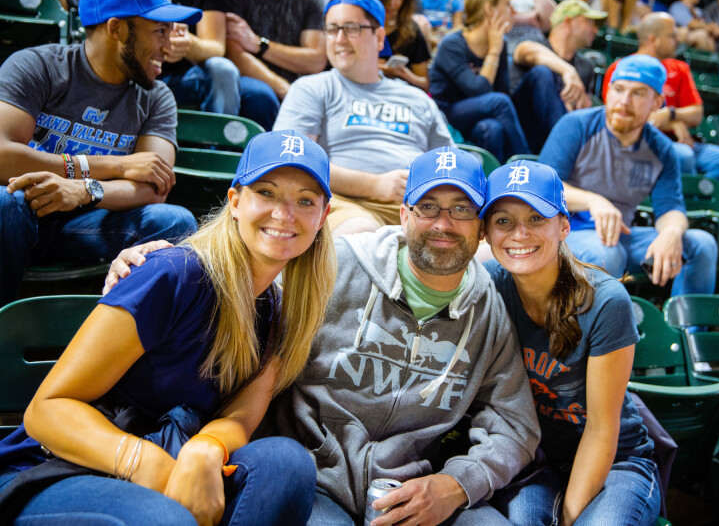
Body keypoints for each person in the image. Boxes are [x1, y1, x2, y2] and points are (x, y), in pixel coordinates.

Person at [103, 146, 541, 526]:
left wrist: (456, 484)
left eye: (462, 209)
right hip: (312, 479)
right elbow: (236, 287)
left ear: (480, 227)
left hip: (414, 491)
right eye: (428, 206)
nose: (444, 223)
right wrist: (160, 259)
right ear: (404, 214)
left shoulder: (488, 307)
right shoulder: (336, 265)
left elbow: (515, 425)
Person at [0, 130, 337, 525]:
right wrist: (150, 465)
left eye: (304, 200)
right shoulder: (173, 272)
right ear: (234, 202)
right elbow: (47, 411)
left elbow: (242, 416)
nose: (285, 214)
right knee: (165, 517)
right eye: (266, 192)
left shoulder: (280, 310)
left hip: (173, 457)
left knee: (286, 462)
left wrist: (206, 449)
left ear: (323, 216)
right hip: (62, 467)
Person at [483, 161, 660, 526]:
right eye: (503, 221)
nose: (519, 234)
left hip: (616, 460)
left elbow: (600, 431)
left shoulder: (605, 301)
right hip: (535, 460)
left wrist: (567, 520)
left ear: (564, 226)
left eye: (536, 219)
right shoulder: (488, 285)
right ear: (485, 232)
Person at [0, 0, 199, 307]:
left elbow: (154, 185)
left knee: (175, 221)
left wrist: (84, 190)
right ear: (116, 29)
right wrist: (116, 167)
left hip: (90, 223)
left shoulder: (157, 96)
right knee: (4, 203)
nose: (168, 44)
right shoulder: (37, 65)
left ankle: (125, 341)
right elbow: (2, 156)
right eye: (159, 30)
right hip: (22, 214)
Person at [272, 0, 454, 237]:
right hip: (348, 205)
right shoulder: (312, 88)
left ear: (379, 38)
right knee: (362, 236)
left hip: (420, 209)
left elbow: (449, 164)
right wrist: (376, 185)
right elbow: (291, 162)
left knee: (487, 250)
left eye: (351, 28)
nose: (339, 39)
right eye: (332, 29)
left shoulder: (417, 99)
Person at [539, 54, 719, 296]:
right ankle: (586, 332)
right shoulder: (576, 125)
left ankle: (687, 331)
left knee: (701, 245)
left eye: (637, 93)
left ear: (657, 103)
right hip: (564, 232)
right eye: (619, 89)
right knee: (606, 253)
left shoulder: (662, 149)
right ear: (608, 91)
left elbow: (672, 207)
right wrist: (594, 201)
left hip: (620, 237)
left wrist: (671, 233)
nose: (624, 101)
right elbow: (544, 188)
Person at [603, 12, 719, 182]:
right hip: (642, 139)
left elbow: (697, 113)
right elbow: (615, 115)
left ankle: (694, 198)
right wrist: (674, 122)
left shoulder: (679, 68)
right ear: (653, 39)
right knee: (683, 156)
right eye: (672, 36)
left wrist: (671, 114)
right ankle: (679, 202)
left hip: (679, 140)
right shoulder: (622, 67)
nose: (677, 40)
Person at [429, 0, 531, 163]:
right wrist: (494, 51)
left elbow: (501, 90)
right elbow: (479, 90)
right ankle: (526, 164)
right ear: (489, 9)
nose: (512, 11)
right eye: (506, 5)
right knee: (499, 102)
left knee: (493, 129)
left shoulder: (501, 42)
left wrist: (496, 48)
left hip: (479, 116)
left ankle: (498, 182)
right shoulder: (452, 44)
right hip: (448, 114)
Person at [158, 0, 281, 130]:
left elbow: (217, 47)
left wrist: (188, 44)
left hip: (192, 72)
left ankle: (220, 146)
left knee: (260, 96)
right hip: (151, 68)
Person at [510, 0, 606, 154]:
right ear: (568, 21)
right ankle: (570, 149)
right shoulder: (534, 42)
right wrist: (568, 71)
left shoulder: (586, 66)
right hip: (520, 129)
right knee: (542, 72)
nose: (595, 30)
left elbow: (577, 111)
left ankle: (568, 150)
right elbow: (526, 50)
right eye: (589, 22)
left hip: (549, 138)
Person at [224, 0, 328, 101]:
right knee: (259, 95)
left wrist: (259, 44)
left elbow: (316, 61)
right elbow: (235, 55)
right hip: (257, 84)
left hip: (301, 87)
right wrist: (285, 90)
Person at [376, 0, 432, 91]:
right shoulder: (359, 27)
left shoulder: (411, 32)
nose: (391, 3)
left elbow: (425, 84)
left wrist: (404, 74)